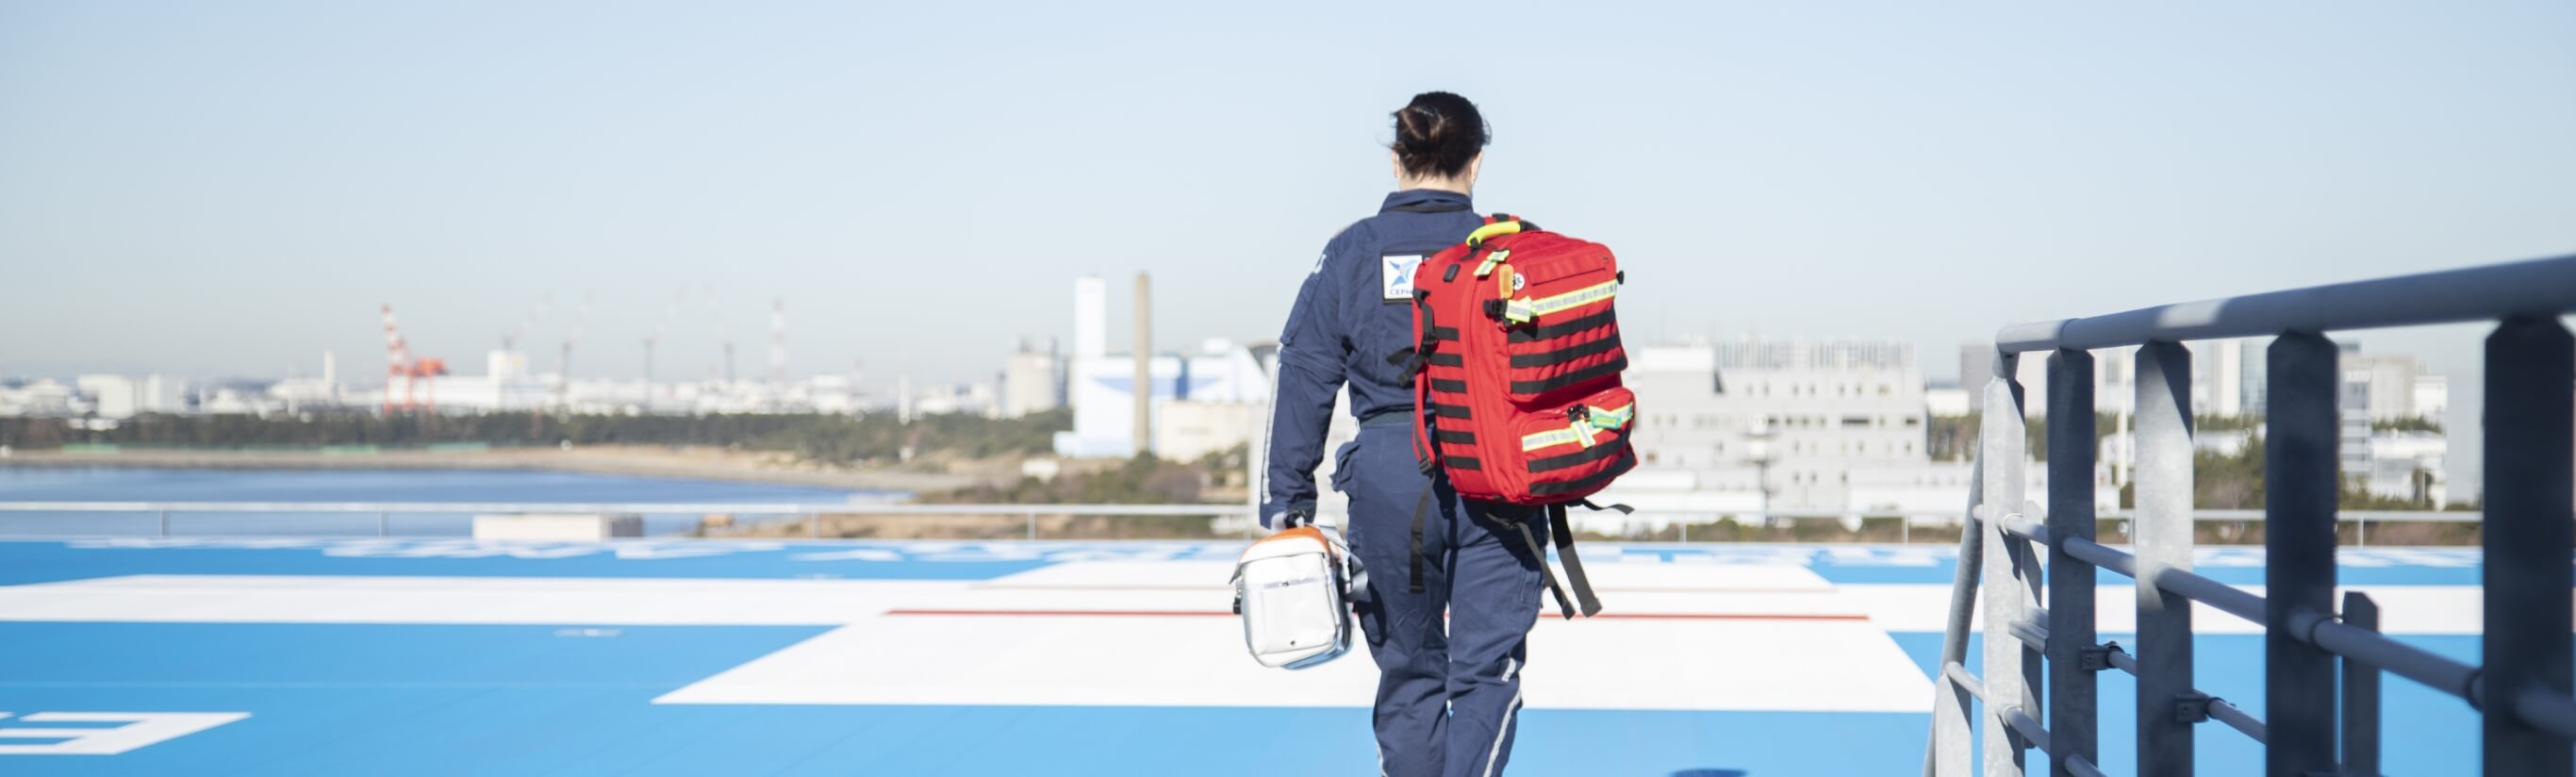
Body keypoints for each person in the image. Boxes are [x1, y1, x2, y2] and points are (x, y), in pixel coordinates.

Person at [1263, 91, 1549, 777]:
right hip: (1500, 477)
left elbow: (1304, 375)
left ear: (1398, 161)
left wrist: (1286, 503)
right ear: (1475, 164)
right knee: (1486, 674)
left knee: (1409, 673)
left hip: (1390, 477)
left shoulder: (1352, 251)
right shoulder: (1515, 249)